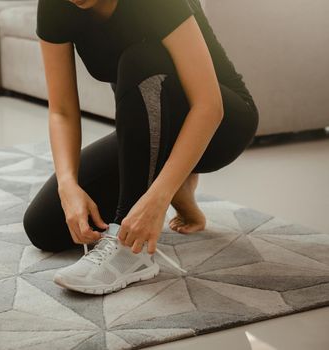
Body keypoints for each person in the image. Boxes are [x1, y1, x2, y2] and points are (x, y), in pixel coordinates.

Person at [23, 0, 259, 295]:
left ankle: (130, 253)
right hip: (150, 129)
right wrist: (67, 186)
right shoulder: (56, 5)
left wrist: (158, 199)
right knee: (45, 227)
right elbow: (62, 111)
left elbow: (209, 106)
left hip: (221, 126)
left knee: (141, 58)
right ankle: (175, 184)